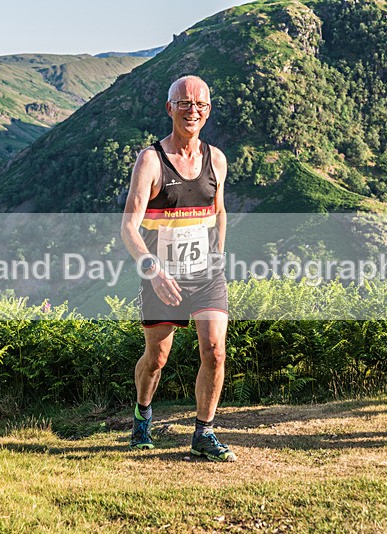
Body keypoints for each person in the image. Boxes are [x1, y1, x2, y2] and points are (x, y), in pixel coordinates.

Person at [120, 75, 236, 462]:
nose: (193, 110)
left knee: (215, 351)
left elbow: (219, 211)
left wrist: (219, 252)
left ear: (208, 110)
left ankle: (203, 433)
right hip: (161, 275)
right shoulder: (150, 160)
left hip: (206, 274)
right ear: (169, 108)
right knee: (157, 358)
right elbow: (128, 227)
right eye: (184, 103)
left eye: (200, 104)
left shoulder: (215, 158)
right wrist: (152, 268)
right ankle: (142, 414)